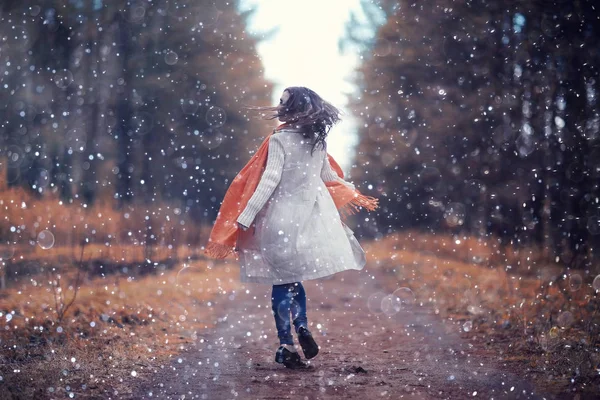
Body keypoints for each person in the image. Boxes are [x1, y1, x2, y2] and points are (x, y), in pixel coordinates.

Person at [204, 86, 378, 369]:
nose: (279, 105)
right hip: (307, 220)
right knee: (293, 278)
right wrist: (354, 192)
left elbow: (269, 180)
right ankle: (303, 327)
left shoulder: (279, 140)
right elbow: (329, 176)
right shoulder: (317, 143)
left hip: (279, 220)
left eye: (284, 101)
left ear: (294, 107)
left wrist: (245, 216)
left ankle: (286, 344)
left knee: (281, 281)